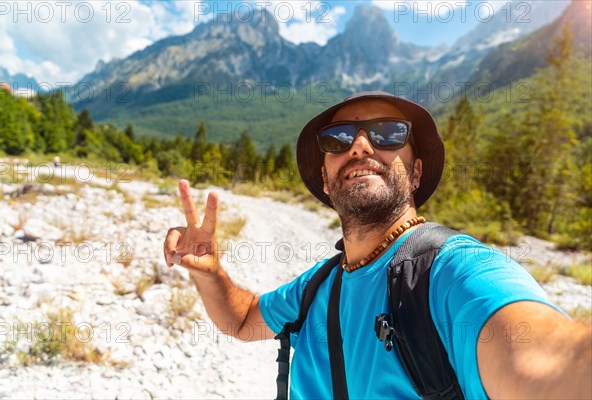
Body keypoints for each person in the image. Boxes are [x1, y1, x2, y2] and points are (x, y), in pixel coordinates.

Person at [163, 91, 591, 399]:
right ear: (326, 181)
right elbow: (241, 321)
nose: (360, 145)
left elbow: (551, 361)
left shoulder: (455, 271)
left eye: (388, 134)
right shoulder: (320, 284)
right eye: (338, 139)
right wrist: (211, 272)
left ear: (417, 172)